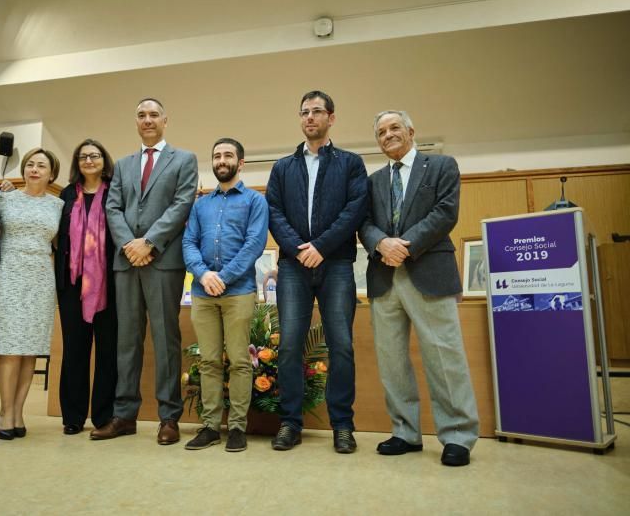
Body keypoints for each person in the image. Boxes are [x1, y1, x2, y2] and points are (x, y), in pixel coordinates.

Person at [359, 110, 479, 466]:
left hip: (429, 271)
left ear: (411, 131)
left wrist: (404, 245)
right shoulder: (373, 181)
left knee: (444, 356)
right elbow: (363, 222)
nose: (388, 135)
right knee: (392, 361)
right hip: (384, 278)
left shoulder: (441, 166)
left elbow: (445, 212)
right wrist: (381, 243)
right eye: (381, 132)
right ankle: (404, 431)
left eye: (395, 128)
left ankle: (458, 434)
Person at [266, 91, 368, 453]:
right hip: (293, 267)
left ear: (331, 118)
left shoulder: (351, 163)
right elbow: (274, 212)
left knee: (341, 345)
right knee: (290, 344)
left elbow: (354, 210)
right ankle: (290, 423)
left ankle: (342, 424)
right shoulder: (282, 167)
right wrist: (299, 249)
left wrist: (321, 247)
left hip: (337, 264)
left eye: (317, 112)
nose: (310, 117)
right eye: (305, 112)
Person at [95, 98, 198, 444]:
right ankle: (124, 415)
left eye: (154, 114)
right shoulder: (123, 165)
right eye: (141, 115)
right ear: (136, 122)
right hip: (127, 263)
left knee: (166, 339)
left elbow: (182, 204)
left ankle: (169, 417)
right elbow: (113, 207)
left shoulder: (184, 160)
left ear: (166, 120)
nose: (148, 119)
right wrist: (130, 245)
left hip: (163, 261)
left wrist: (149, 242)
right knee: (127, 341)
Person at [182, 138, 268, 452]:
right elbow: (188, 243)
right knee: (207, 362)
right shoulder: (200, 205)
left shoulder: (255, 202)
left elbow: (254, 245)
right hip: (203, 293)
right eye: (217, 155)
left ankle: (236, 428)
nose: (222, 160)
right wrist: (204, 274)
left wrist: (224, 277)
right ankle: (210, 427)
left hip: (238, 292)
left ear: (240, 162)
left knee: (240, 361)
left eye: (228, 155)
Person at [0, 147, 63, 440]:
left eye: (41, 166)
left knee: (30, 349)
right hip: (8, 275)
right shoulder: (3, 199)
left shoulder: (58, 206)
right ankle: (5, 412)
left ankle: (19, 411)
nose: (34, 169)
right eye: (30, 164)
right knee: (10, 348)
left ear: (51, 173)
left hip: (41, 278)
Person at [55, 139, 118, 436]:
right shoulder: (67, 195)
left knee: (108, 352)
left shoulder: (116, 192)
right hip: (72, 284)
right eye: (83, 156)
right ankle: (72, 416)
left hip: (110, 284)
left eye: (95, 156)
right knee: (75, 351)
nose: (89, 161)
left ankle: (104, 415)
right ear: (77, 162)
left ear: (104, 160)